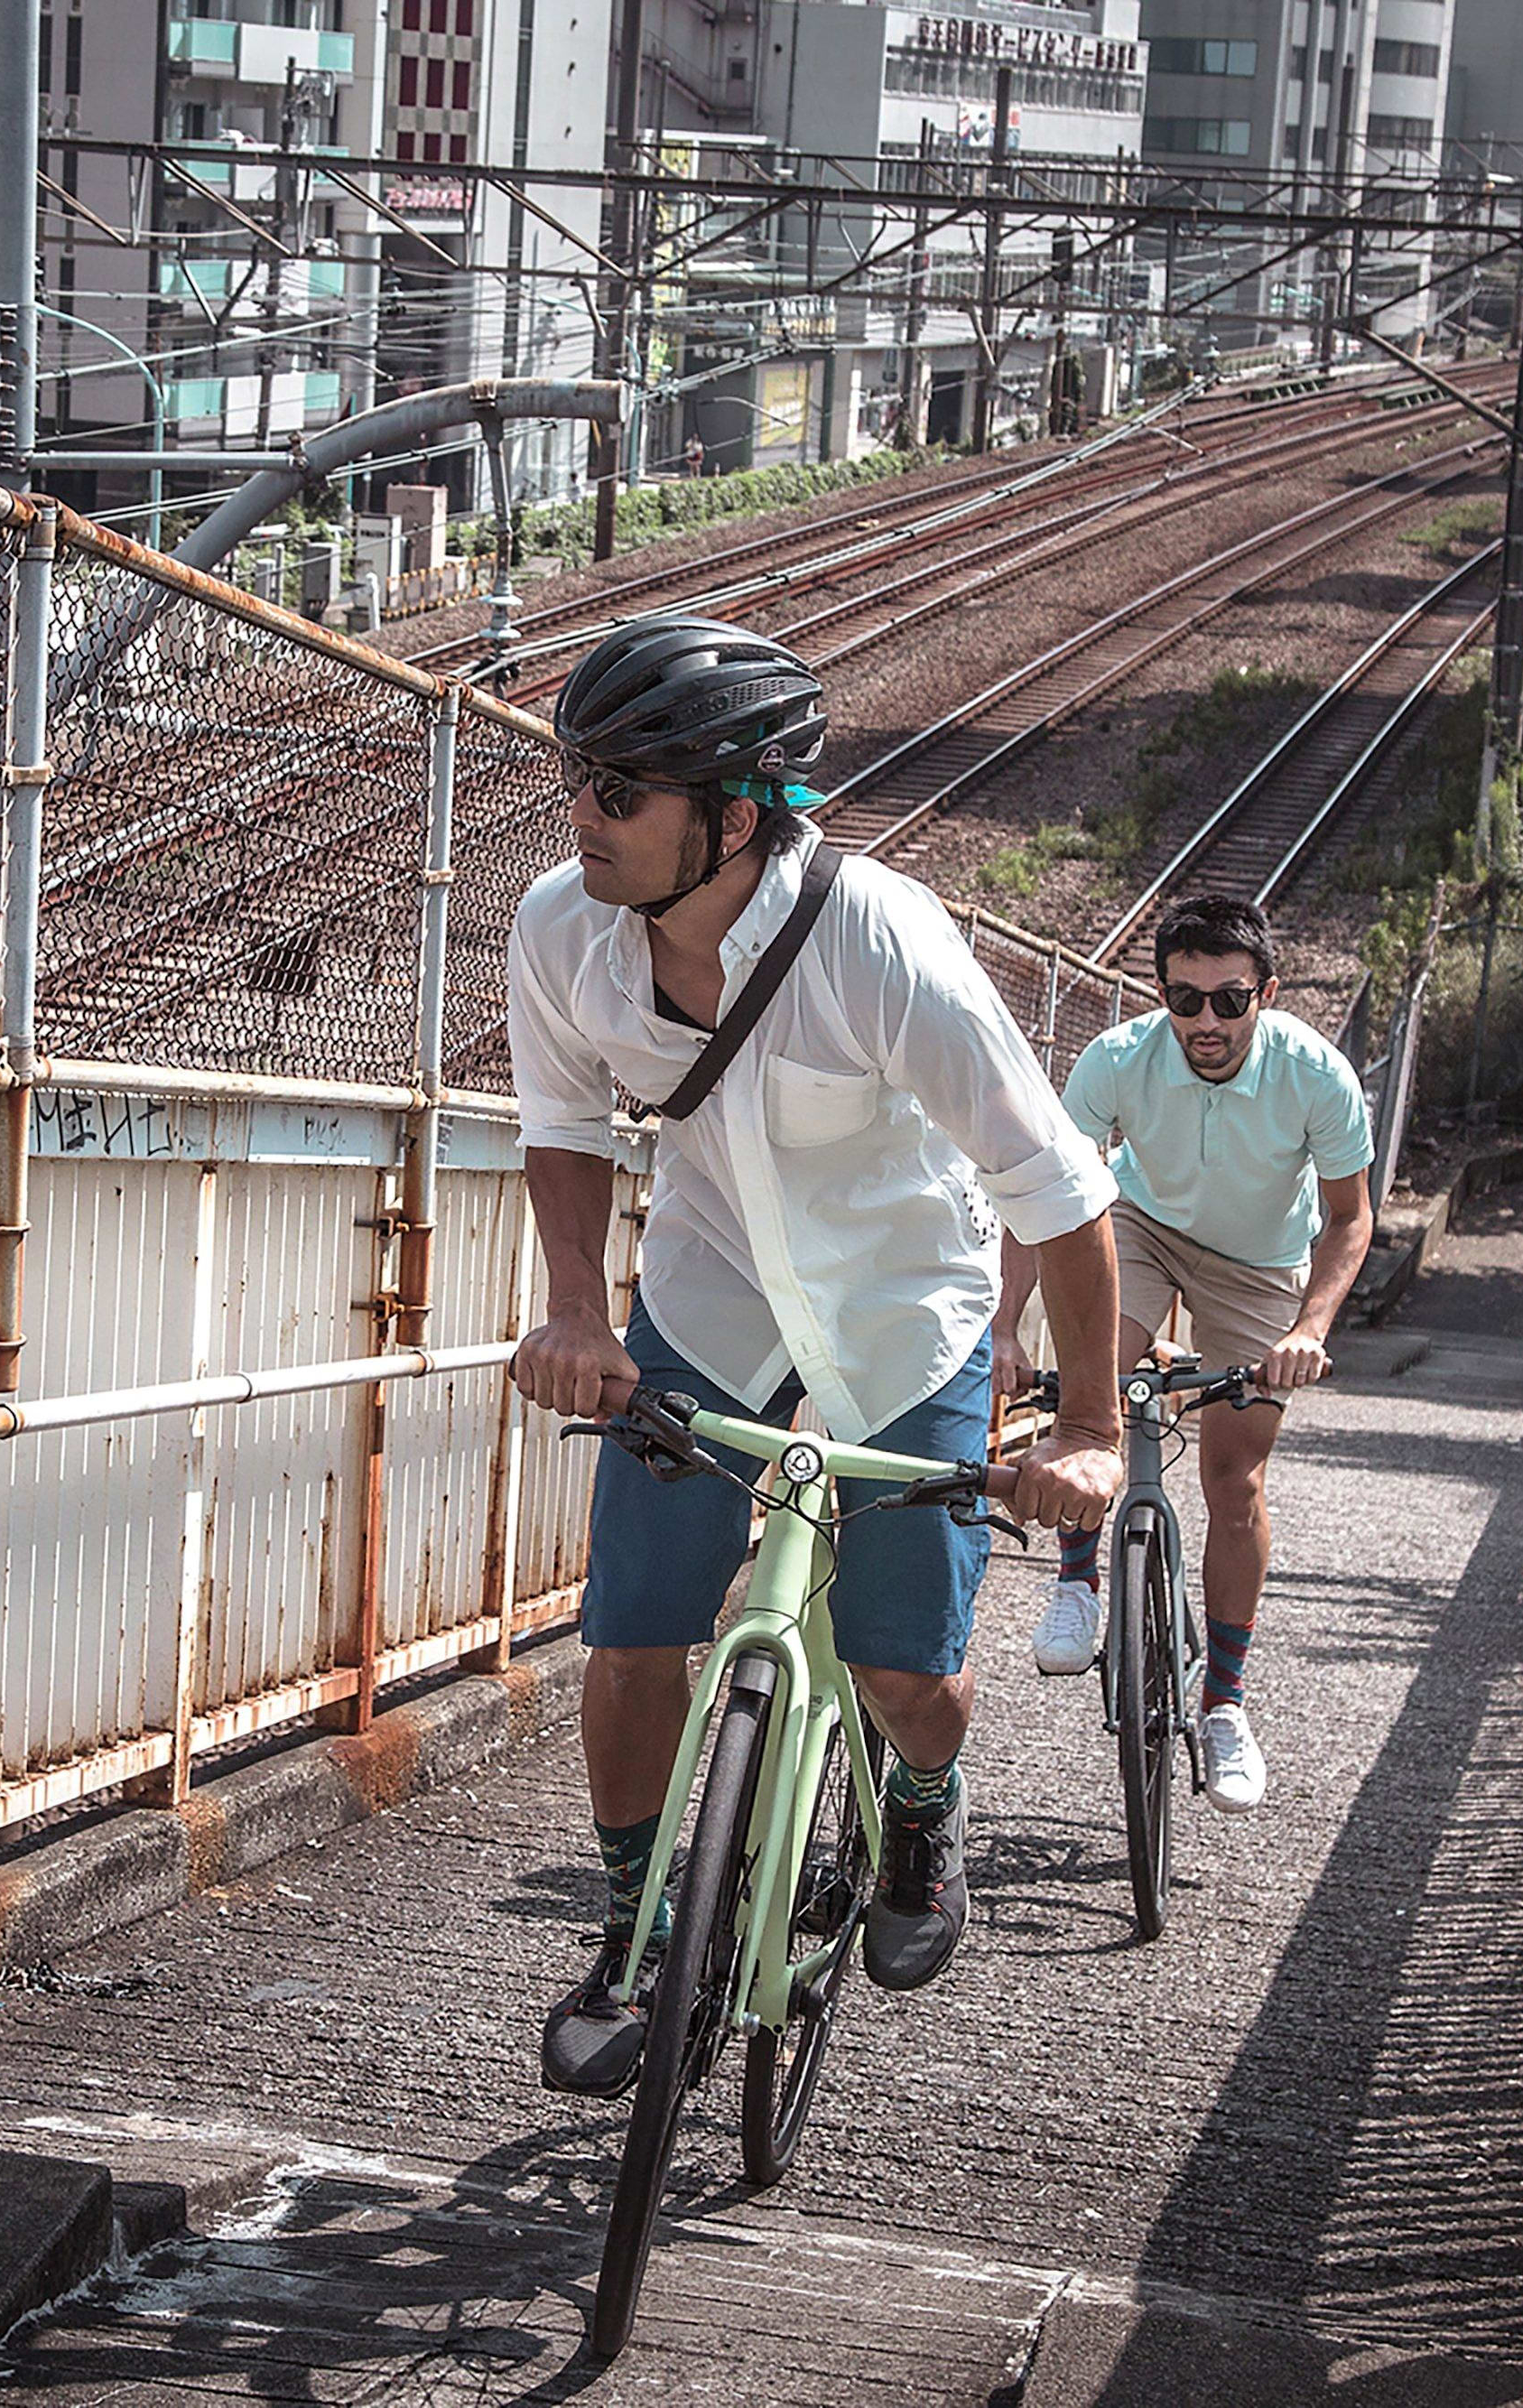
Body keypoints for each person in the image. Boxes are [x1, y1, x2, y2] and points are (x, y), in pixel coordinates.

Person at [506, 615, 1128, 2097]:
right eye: (576, 777)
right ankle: (636, 1928)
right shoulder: (562, 930)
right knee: (631, 1637)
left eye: (619, 790)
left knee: (907, 1669)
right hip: (711, 1294)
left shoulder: (880, 941)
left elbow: (1061, 1193)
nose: (582, 813)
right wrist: (579, 1308)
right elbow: (564, 1123)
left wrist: (1092, 1427)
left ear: (735, 819)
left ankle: (922, 1803)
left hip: (904, 1313)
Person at [996, 894, 1374, 1813]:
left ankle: (1225, 1704)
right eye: (1185, 998)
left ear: (1267, 994)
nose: (1207, 1020)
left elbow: (1348, 1218)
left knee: (1232, 1478)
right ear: (1160, 994)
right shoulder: (1117, 1059)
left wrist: (1309, 1330)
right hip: (1138, 1225)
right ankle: (1078, 1581)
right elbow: (1045, 1192)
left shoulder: (1317, 1076)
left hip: (1259, 1262)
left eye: (1230, 1000)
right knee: (1094, 1393)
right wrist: (1004, 1324)